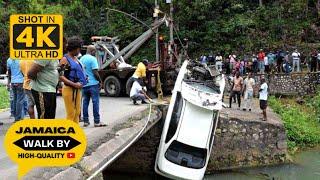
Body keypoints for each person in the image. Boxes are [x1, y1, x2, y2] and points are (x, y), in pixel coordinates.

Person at [59, 36, 87, 123]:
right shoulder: (65, 59)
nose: (79, 51)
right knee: (71, 113)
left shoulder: (76, 59)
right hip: (69, 89)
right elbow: (60, 76)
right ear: (74, 48)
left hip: (77, 89)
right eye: (79, 48)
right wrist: (74, 84)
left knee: (77, 112)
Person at [80, 45, 106, 127]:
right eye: (95, 51)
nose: (95, 53)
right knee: (95, 102)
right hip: (93, 84)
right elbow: (95, 72)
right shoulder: (93, 59)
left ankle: (86, 121)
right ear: (92, 51)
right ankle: (97, 121)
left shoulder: (81, 59)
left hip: (84, 84)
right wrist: (100, 81)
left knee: (85, 102)